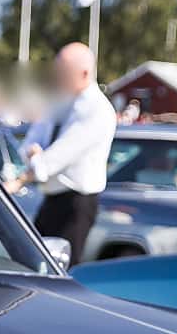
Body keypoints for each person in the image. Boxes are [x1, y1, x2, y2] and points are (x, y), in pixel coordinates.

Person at [19, 42, 117, 267]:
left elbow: (54, 159)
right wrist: (35, 157)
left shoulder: (97, 110)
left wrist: (36, 159)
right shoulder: (60, 102)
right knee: (33, 264)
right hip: (51, 200)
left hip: (76, 205)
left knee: (62, 271)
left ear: (83, 73)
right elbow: (30, 142)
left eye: (63, 72)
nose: (58, 77)